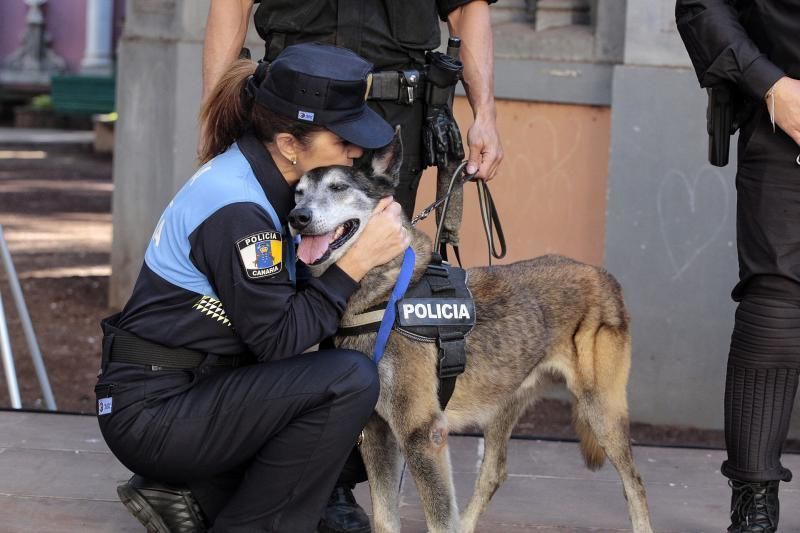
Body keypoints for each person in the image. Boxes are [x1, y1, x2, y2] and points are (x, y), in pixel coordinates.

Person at [95, 42, 410, 533]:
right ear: (289, 144)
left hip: (195, 389)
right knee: (349, 381)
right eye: (344, 139)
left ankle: (188, 491)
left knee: (356, 440)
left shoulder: (262, 179)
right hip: (157, 413)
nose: (355, 151)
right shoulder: (240, 209)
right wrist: (359, 261)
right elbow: (279, 343)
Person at [675, 2, 800, 532]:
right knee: (774, 306)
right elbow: (702, 5)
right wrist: (772, 86)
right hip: (786, 118)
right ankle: (754, 500)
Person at [202, 0, 504, 218]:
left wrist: (485, 116)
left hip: (393, 116)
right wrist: (214, 115)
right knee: (277, 246)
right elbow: (233, 4)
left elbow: (465, 8)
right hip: (294, 111)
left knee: (380, 263)